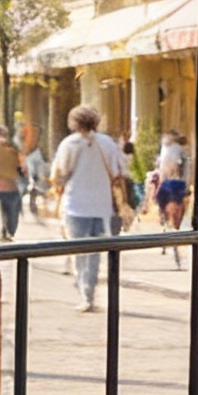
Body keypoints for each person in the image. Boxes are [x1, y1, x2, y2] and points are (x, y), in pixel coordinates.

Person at [49, 104, 126, 314]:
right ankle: (88, 290)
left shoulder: (69, 143)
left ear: (73, 122)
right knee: (94, 253)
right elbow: (120, 170)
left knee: (78, 251)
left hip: (75, 204)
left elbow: (61, 172)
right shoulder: (107, 143)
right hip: (101, 206)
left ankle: (84, 291)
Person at [153, 129, 189, 265]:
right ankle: (173, 241)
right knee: (176, 217)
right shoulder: (178, 150)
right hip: (176, 184)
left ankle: (167, 238)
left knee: (166, 213)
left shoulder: (168, 150)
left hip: (169, 184)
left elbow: (166, 169)